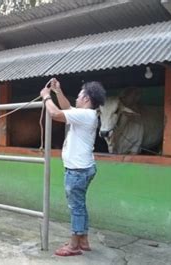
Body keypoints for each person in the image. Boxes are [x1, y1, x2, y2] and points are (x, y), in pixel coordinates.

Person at [40, 78, 106, 257]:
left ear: (86, 98)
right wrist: (57, 91)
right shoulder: (87, 114)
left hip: (77, 170)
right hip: (83, 168)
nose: (76, 99)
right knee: (80, 205)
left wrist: (46, 97)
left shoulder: (85, 115)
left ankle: (74, 245)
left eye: (79, 96)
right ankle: (83, 240)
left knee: (75, 207)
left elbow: (55, 114)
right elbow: (67, 108)